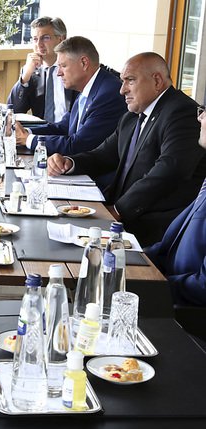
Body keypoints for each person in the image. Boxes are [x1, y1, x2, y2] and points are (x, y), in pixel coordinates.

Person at [48, 52, 206, 247]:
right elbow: (104, 155)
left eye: (130, 81)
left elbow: (169, 171)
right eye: (122, 81)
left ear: (157, 81)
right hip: (117, 216)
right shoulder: (132, 116)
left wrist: (117, 210)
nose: (122, 90)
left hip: (152, 229)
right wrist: (69, 162)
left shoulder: (182, 112)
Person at [15, 36, 127, 158]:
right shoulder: (90, 86)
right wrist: (25, 132)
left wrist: (29, 140)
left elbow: (78, 145)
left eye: (63, 66)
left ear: (84, 63)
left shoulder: (108, 94)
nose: (58, 73)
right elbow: (62, 127)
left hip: (95, 173)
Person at [145, 105, 206, 306]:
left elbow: (202, 287)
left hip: (187, 318)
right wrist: (125, 256)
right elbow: (168, 247)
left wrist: (144, 286)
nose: (200, 118)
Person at [6, 16, 78, 123]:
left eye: (45, 38)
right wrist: (25, 77)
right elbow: (13, 110)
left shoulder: (75, 67)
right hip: (41, 134)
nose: (39, 44)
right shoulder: (31, 71)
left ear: (61, 39)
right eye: (35, 39)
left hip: (69, 134)